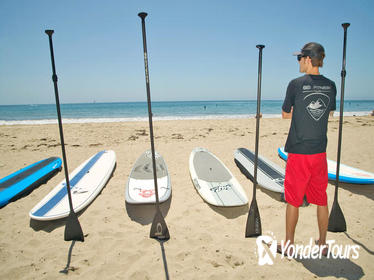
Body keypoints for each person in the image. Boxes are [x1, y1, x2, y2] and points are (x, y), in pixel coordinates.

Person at [281, 42, 336, 255]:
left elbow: (285, 114)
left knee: (293, 200)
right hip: (319, 151)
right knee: (320, 198)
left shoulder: (295, 84)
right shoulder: (331, 85)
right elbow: (328, 113)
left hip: (299, 151)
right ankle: (322, 244)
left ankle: (288, 245)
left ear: (308, 59)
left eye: (299, 58)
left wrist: (299, 113)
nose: (298, 62)